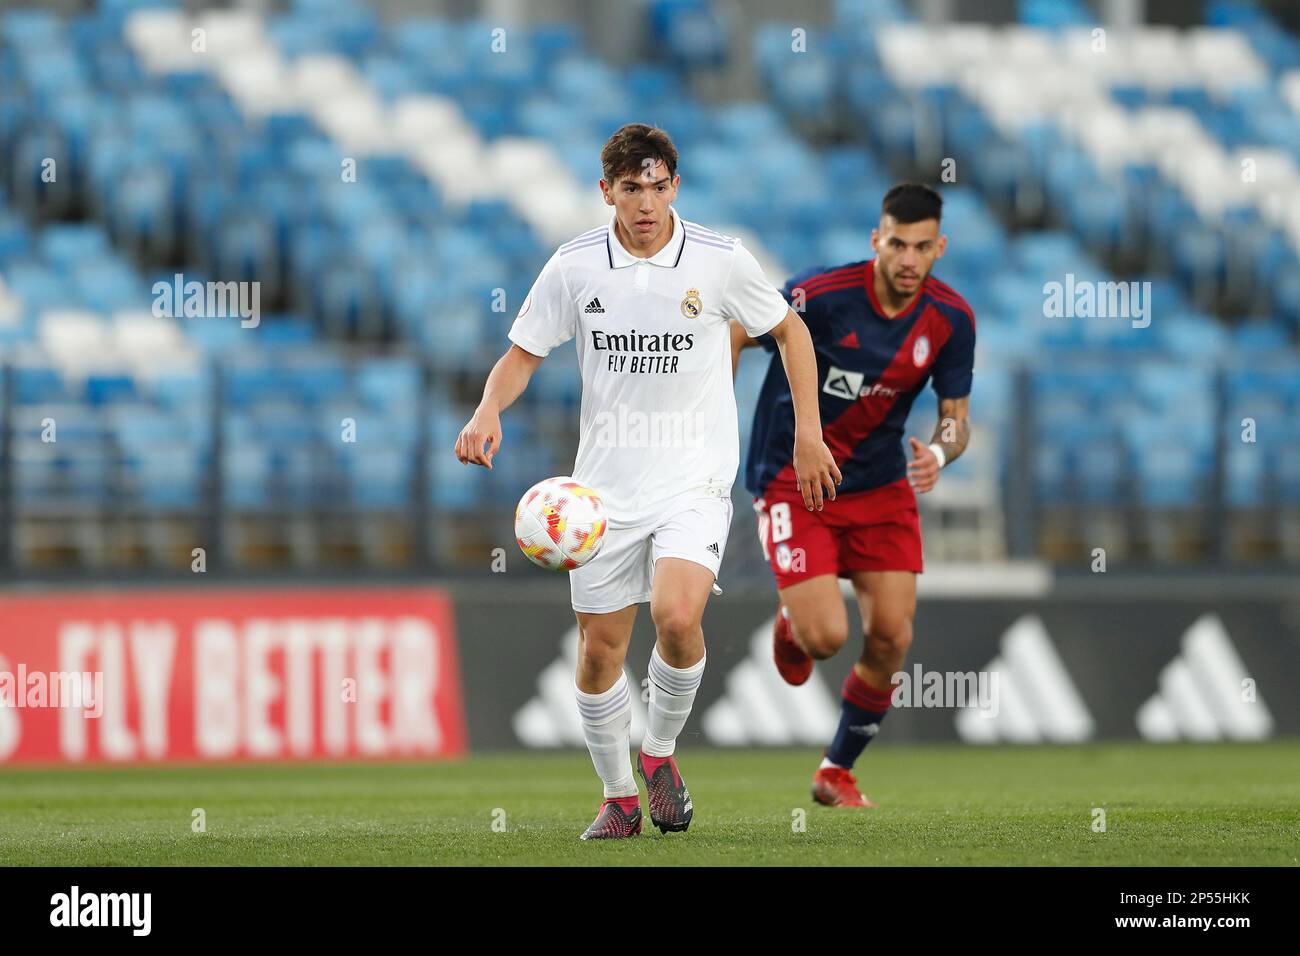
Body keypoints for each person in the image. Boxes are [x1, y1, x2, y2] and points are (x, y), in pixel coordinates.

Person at [455, 123, 838, 838]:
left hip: (693, 479)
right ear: (607, 191)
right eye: (631, 188)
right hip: (601, 495)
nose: (646, 202)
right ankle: (618, 796)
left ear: (675, 188)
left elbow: (792, 332)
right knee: (600, 651)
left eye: (658, 187)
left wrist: (809, 432)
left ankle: (658, 751)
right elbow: (522, 353)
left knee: (676, 617)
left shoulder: (721, 261)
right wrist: (486, 407)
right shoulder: (574, 267)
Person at [732, 183, 975, 808]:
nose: (908, 259)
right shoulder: (823, 295)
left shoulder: (951, 320)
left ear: (939, 247)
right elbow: (738, 329)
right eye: (897, 243)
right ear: (877, 239)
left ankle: (835, 769)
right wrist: (711, 412)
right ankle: (793, 624)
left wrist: (941, 451)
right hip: (795, 479)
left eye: (922, 247)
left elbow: (956, 417)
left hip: (880, 484)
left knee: (893, 635)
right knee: (825, 638)